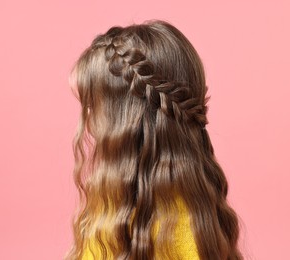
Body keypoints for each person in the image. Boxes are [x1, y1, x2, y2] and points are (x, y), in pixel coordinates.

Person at [64, 19, 243, 260]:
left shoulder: (172, 235)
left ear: (126, 124)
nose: (87, 121)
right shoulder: (120, 213)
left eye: (93, 107)